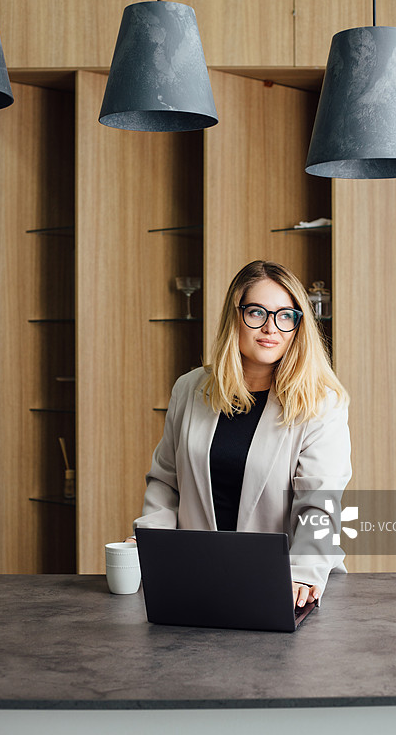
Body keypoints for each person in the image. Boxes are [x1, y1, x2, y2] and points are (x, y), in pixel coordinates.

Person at [129, 260, 352, 608]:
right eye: (257, 312)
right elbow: (166, 483)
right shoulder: (190, 388)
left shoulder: (321, 402)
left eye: (285, 316)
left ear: (298, 325)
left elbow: (319, 505)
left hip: (286, 585)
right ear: (235, 316)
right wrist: (150, 543)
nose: (270, 327)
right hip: (198, 579)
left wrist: (302, 573)